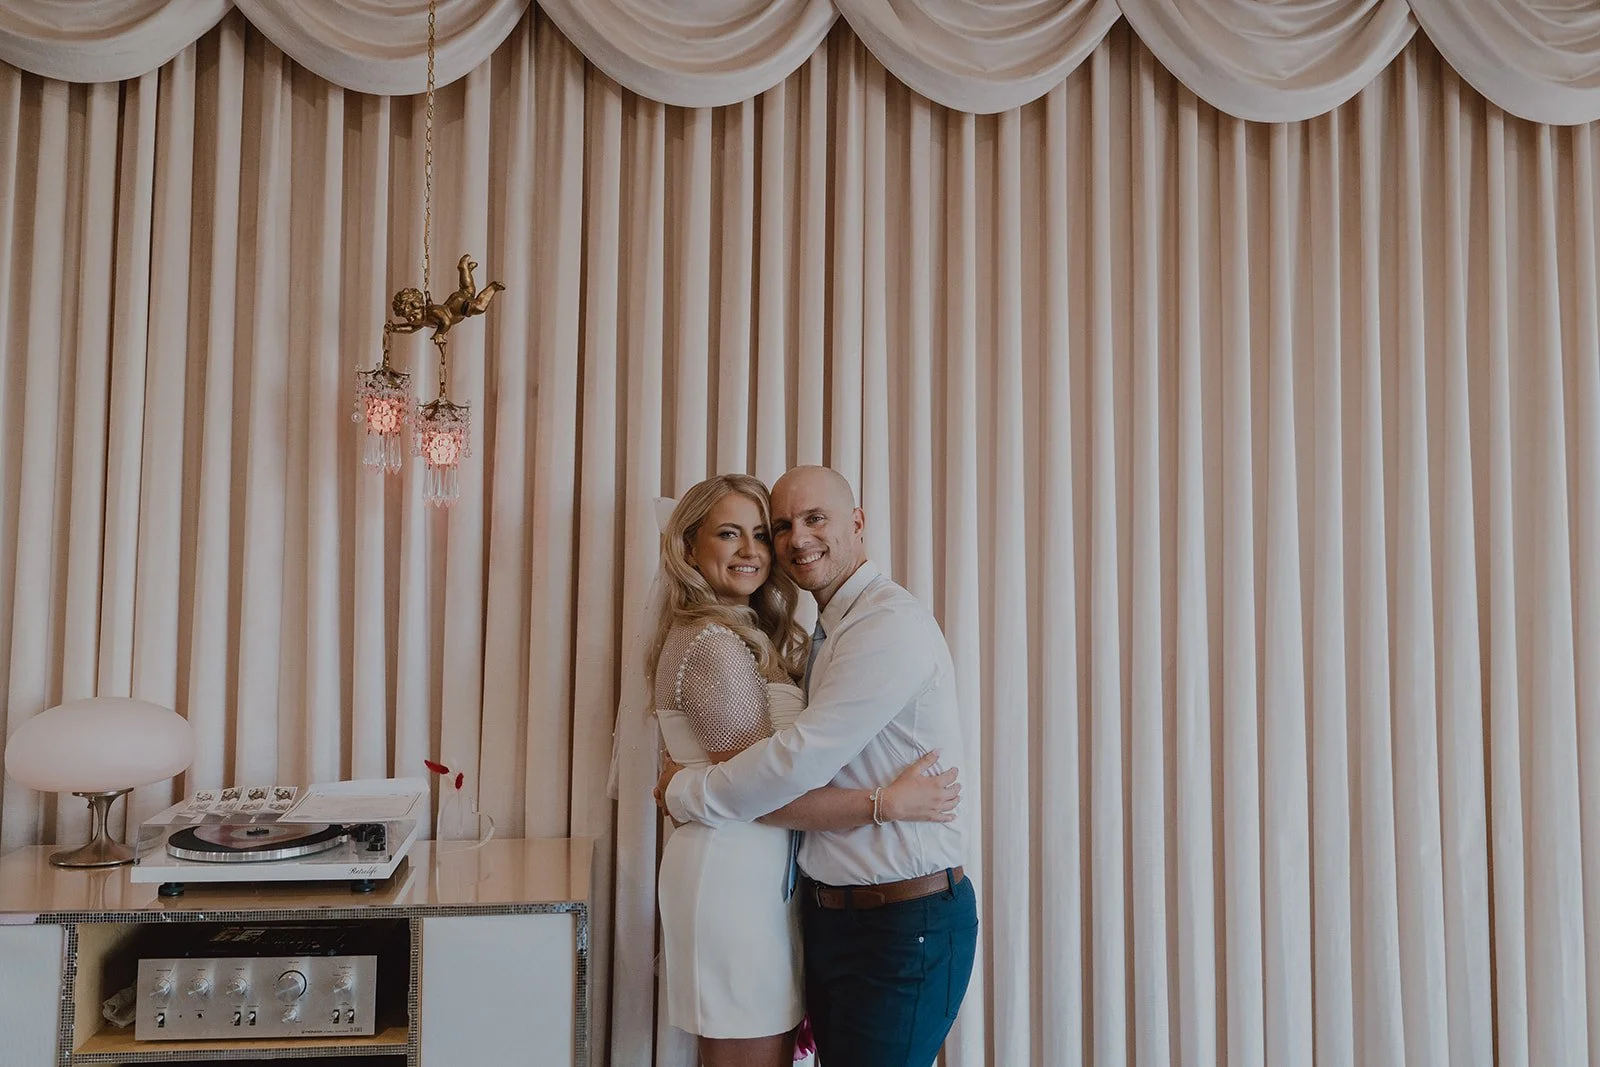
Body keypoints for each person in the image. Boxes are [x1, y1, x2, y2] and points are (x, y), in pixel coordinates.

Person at [659, 466, 978, 1067]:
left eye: (814, 519)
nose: (794, 539)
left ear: (856, 523)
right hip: (827, 913)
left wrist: (686, 791)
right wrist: (882, 803)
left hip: (900, 921)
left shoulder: (885, 626)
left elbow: (794, 762)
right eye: (782, 526)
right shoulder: (818, 629)